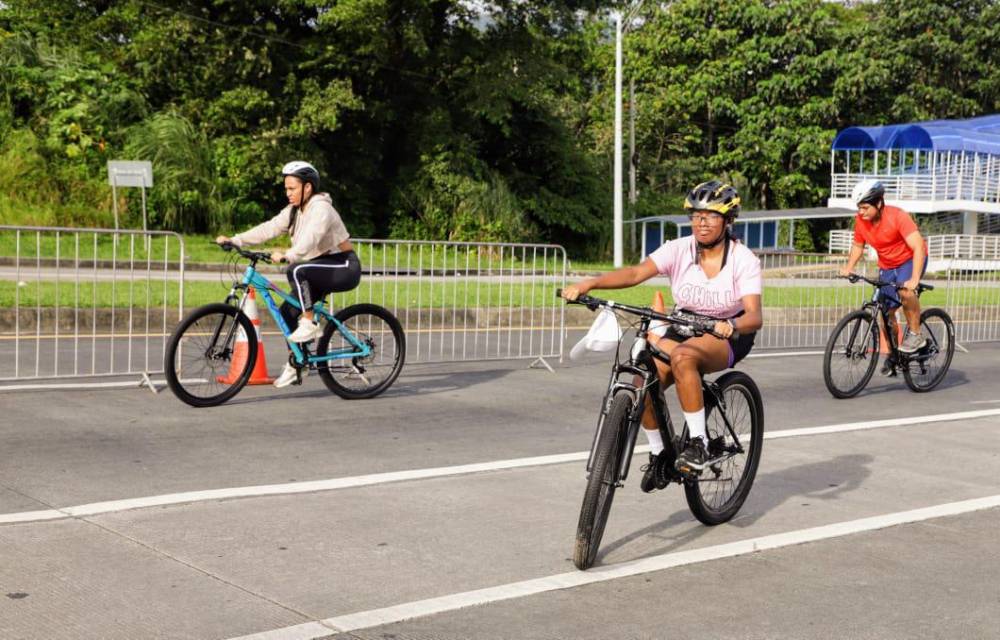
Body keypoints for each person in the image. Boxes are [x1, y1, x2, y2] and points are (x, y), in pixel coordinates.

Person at [561, 180, 762, 489]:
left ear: (727, 220)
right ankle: (659, 456)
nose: (701, 222)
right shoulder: (678, 249)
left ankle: (699, 442)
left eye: (710, 216)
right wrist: (590, 284)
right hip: (683, 327)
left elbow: (754, 315)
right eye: (695, 215)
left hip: (726, 334)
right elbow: (635, 273)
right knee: (644, 381)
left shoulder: (742, 259)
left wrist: (732, 326)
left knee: (683, 357)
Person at [216, 161, 361, 388]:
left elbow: (312, 237)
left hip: (343, 265)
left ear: (307, 188)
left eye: (292, 188)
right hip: (318, 268)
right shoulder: (294, 211)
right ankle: (298, 362)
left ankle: (309, 322)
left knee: (296, 269)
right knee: (285, 312)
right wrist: (236, 240)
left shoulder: (321, 208)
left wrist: (290, 254)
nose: (288, 193)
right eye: (286, 188)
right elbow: (270, 227)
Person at [838, 179, 928, 360]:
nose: (861, 212)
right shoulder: (861, 221)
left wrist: (915, 278)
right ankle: (895, 354)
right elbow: (858, 246)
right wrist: (849, 268)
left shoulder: (898, 217)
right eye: (859, 207)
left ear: (879, 203)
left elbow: (918, 247)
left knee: (906, 291)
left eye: (865, 207)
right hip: (887, 265)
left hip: (909, 260)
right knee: (885, 312)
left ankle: (916, 335)